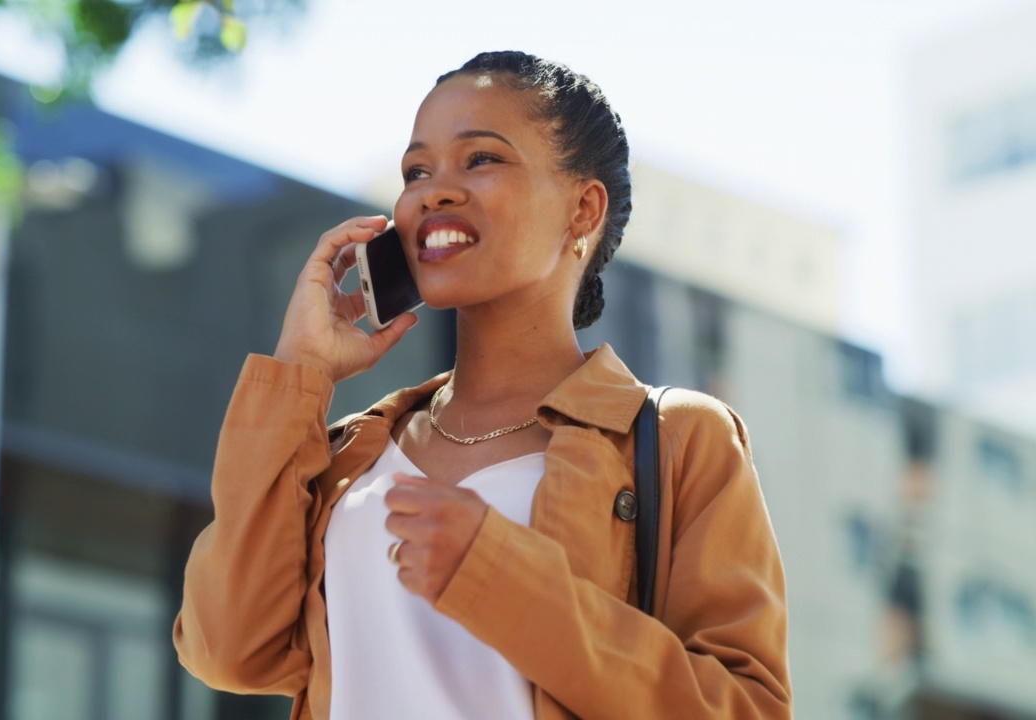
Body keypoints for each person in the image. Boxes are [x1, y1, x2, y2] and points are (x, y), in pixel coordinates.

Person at [173, 51, 792, 720]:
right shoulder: (352, 454)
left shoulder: (679, 438)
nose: (433, 190)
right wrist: (300, 371)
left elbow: (745, 708)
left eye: (481, 160)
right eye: (416, 171)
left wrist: (500, 576)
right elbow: (227, 650)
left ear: (583, 209)